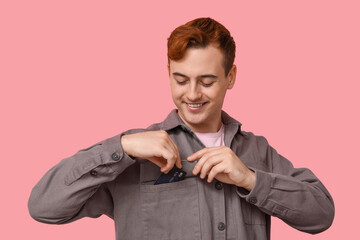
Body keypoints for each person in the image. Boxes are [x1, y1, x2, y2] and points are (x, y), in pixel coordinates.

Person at [28, 17, 334, 240]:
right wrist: (120, 148)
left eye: (207, 81)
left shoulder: (258, 152)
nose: (192, 94)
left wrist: (249, 179)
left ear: (231, 77)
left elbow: (321, 214)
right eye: (181, 79)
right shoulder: (134, 154)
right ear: (168, 73)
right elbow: (43, 207)